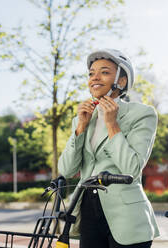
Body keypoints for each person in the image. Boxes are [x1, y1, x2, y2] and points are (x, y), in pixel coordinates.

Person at [58, 49, 160, 248]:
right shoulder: (82, 118)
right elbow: (67, 170)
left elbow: (131, 168)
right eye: (91, 73)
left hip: (127, 217)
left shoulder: (142, 114)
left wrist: (112, 124)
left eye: (104, 72)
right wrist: (80, 128)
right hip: (87, 210)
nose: (94, 78)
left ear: (121, 82)